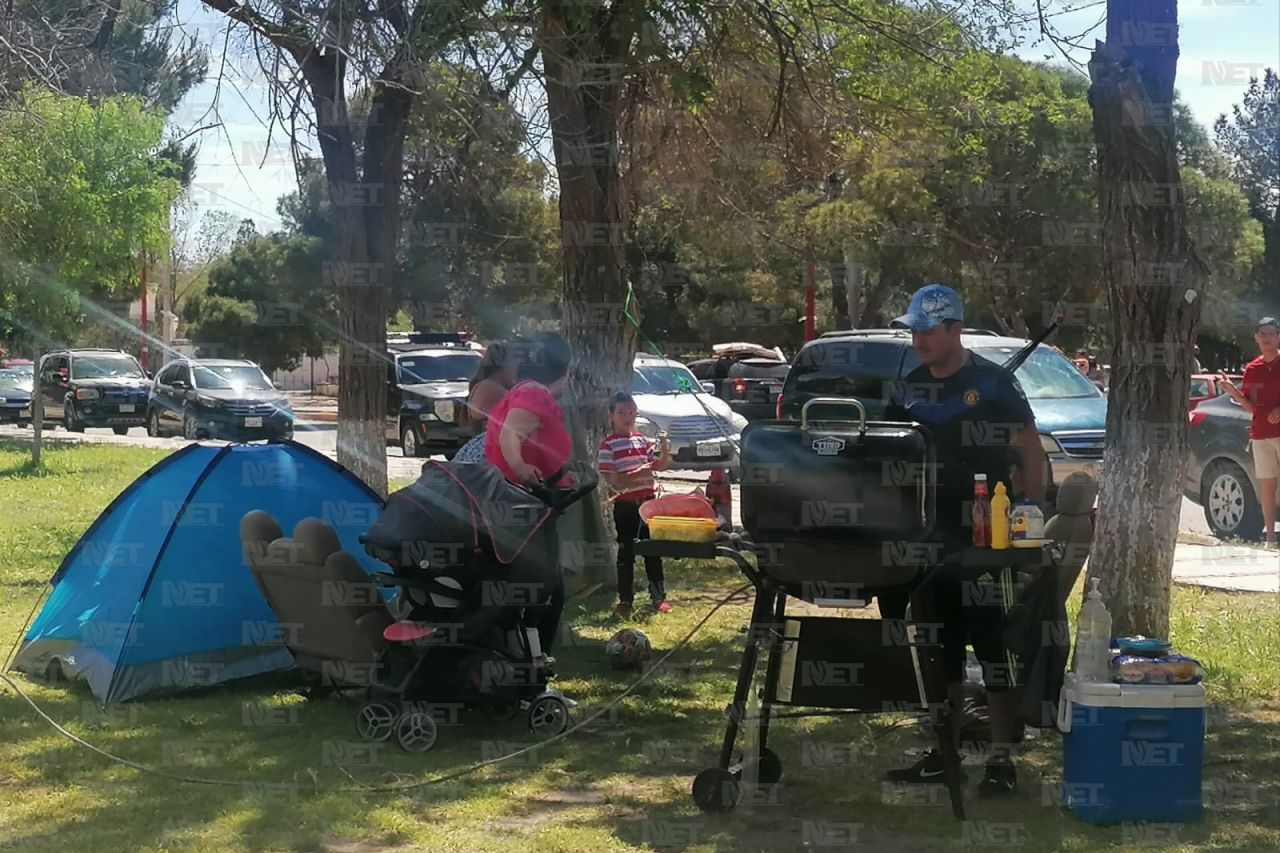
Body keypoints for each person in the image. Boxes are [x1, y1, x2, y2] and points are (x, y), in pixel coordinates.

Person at [880, 283, 1048, 798]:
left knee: (994, 646)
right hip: (925, 541)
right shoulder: (906, 387)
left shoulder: (993, 384)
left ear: (955, 329)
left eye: (928, 330)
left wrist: (1030, 512)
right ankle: (942, 752)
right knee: (937, 648)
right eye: (913, 330)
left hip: (985, 538)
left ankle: (1001, 758)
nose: (919, 339)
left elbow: (1030, 449)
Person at [598, 393, 673, 616]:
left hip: (648, 504)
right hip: (626, 505)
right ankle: (625, 600)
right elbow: (612, 480)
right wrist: (638, 473)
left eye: (631, 412)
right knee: (626, 553)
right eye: (622, 412)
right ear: (611, 416)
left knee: (653, 551)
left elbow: (659, 467)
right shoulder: (607, 445)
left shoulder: (643, 440)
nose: (627, 417)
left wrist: (665, 451)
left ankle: (658, 597)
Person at [1218, 316, 1280, 547]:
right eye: (1262, 334)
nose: (1266, 338)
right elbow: (1251, 406)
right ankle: (1270, 539)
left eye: (1270, 334)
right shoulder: (1252, 369)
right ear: (1256, 338)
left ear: (1278, 337)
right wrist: (1232, 391)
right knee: (1267, 486)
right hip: (1261, 435)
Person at [484, 332, 574, 488]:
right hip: (525, 497)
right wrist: (519, 467)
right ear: (565, 371)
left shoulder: (520, 393)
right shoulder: (535, 395)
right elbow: (510, 434)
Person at [453, 340, 521, 463]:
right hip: (485, 459)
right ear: (504, 365)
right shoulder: (492, 388)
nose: (517, 368)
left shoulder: (486, 385)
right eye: (514, 363)